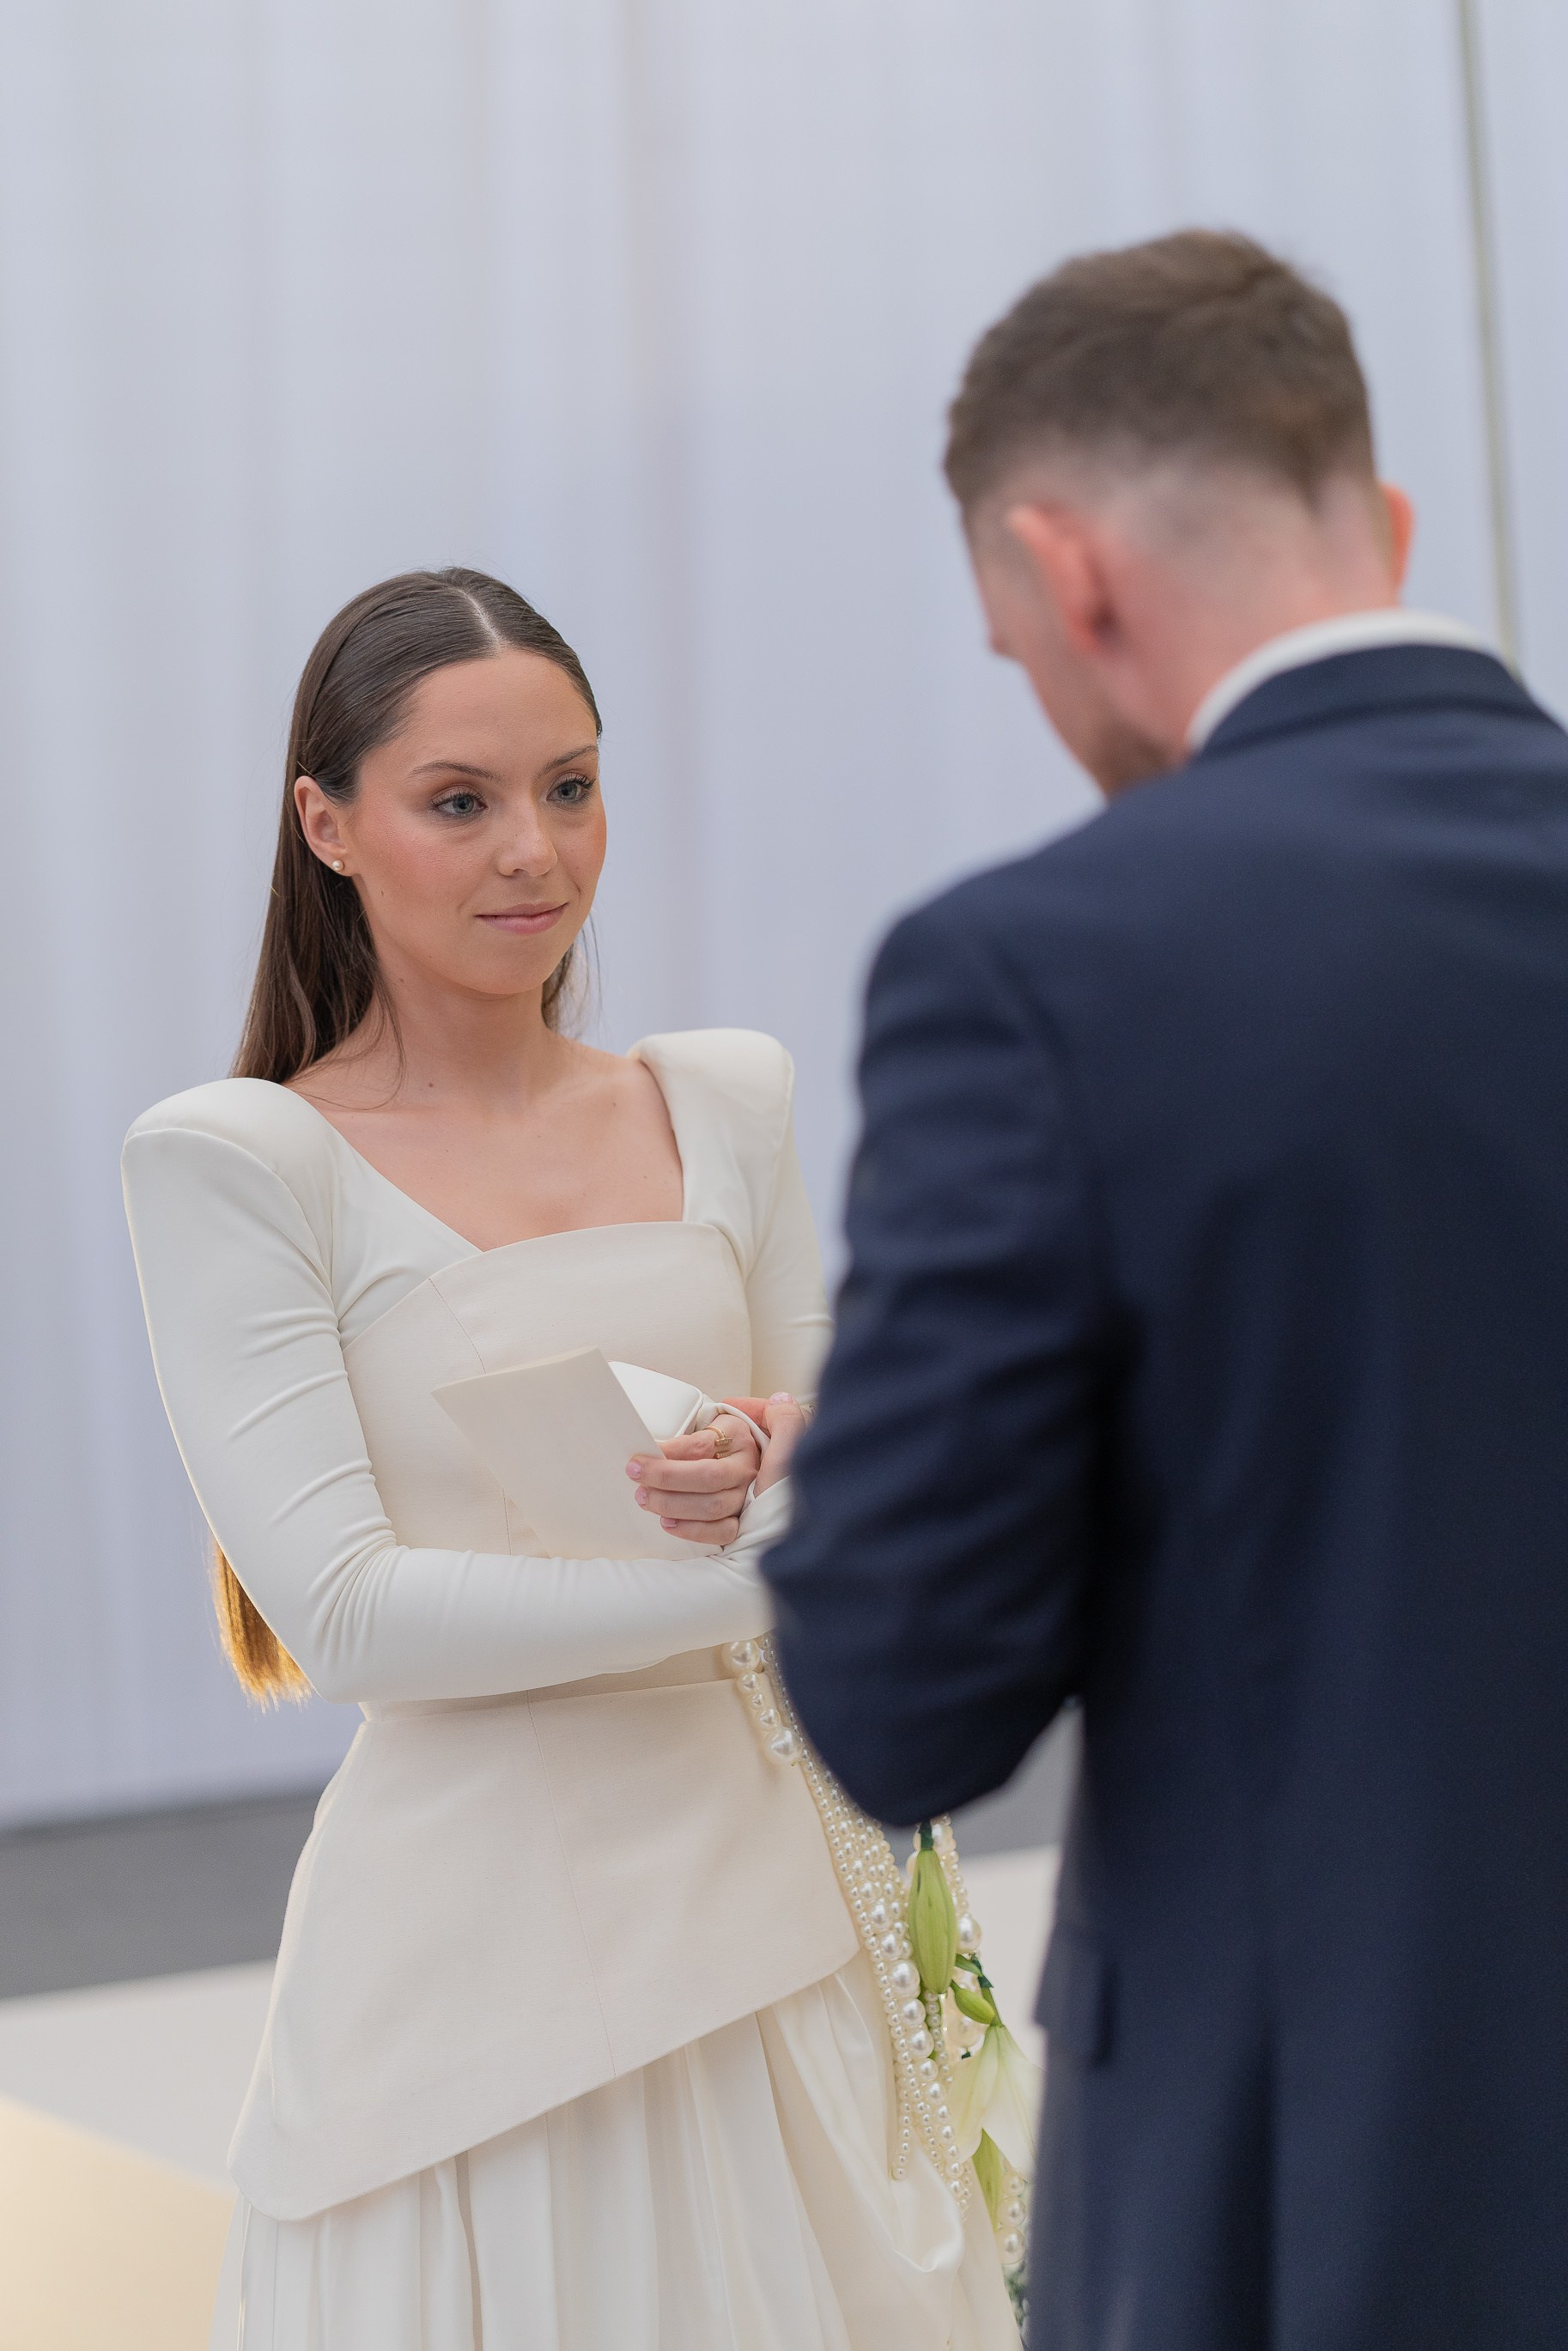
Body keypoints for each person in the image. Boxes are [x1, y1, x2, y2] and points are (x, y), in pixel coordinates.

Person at [762, 231, 1568, 2348]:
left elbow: (906, 1691)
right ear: (1380, 523)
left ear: (1068, 574)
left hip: (1330, 2186)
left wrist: (855, 1455)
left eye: (1007, 643)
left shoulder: (1039, 973)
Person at [122, 568, 1020, 2350]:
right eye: (459, 801)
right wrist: (778, 1571)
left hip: (791, 1912)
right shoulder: (239, 1161)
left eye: (571, 785)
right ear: (330, 825)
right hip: (476, 1965)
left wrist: (789, 1450)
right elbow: (353, 1616)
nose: (532, 849)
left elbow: (850, 1441)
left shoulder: (719, 1096)